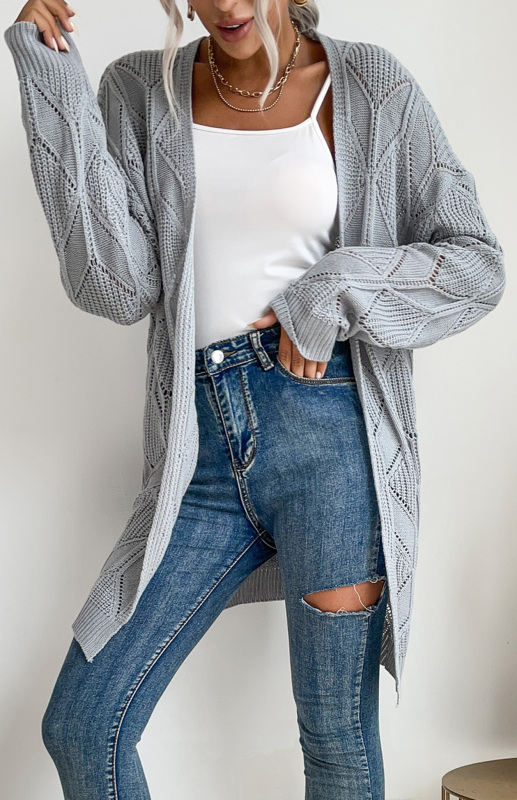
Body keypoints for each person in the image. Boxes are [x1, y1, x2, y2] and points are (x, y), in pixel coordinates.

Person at [4, 0, 505, 798]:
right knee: (84, 723)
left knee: (335, 740)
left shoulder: (368, 83)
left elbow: (475, 264)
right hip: (195, 455)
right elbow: (114, 286)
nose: (227, 6)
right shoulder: (139, 89)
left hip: (329, 444)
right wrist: (50, 76)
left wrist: (330, 290)